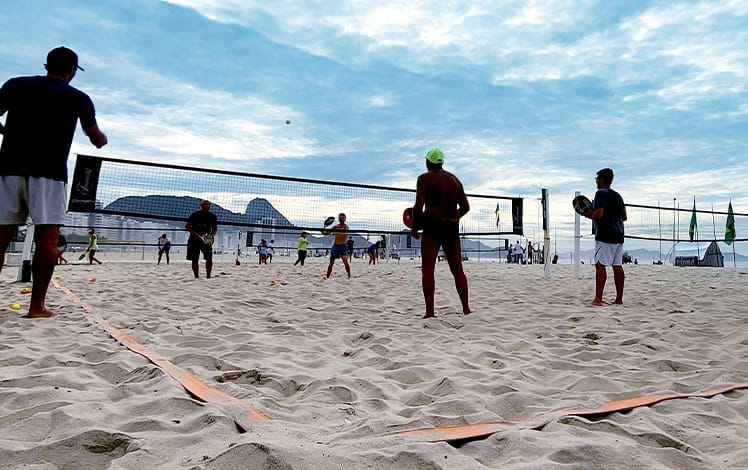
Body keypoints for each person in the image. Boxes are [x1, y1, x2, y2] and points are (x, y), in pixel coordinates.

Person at [0, 46, 107, 318]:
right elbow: (96, 138)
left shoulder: (15, 85)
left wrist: (9, 133)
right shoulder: (78, 98)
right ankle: (36, 306)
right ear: (72, 71)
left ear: (46, 64)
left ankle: (36, 305)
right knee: (47, 238)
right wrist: (102, 139)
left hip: (9, 168)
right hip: (49, 173)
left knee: (0, 237)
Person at [412, 148, 470, 318]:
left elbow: (418, 206)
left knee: (428, 269)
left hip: (433, 226)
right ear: (441, 162)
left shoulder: (424, 178)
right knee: (457, 269)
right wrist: (453, 218)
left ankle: (430, 312)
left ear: (428, 162)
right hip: (451, 228)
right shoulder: (454, 180)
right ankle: (466, 308)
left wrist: (416, 226)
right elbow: (466, 207)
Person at [581, 168, 627, 305]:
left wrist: (589, 214)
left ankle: (598, 299)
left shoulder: (600, 193)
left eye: (597, 178)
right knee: (617, 266)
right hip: (619, 235)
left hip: (605, 235)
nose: (596, 180)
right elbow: (624, 217)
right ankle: (619, 299)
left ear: (601, 179)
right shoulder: (618, 196)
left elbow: (599, 214)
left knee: (600, 265)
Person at [185, 199, 218, 278]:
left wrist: (211, 236)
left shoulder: (212, 216)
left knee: (209, 258)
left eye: (208, 205)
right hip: (194, 239)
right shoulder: (195, 215)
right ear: (201, 206)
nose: (207, 206)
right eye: (205, 204)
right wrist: (195, 234)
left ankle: (208, 276)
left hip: (206, 239)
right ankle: (196, 276)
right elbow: (187, 226)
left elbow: (215, 229)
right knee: (194, 259)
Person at [323, 213, 351, 278]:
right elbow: (326, 233)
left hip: (343, 246)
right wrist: (323, 232)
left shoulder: (346, 227)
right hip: (336, 246)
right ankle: (327, 276)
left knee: (345, 261)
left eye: (343, 217)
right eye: (340, 217)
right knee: (331, 263)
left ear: (345, 219)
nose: (341, 219)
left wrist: (334, 230)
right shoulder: (335, 227)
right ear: (338, 219)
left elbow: (344, 232)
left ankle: (349, 275)